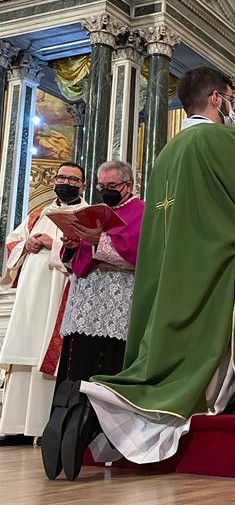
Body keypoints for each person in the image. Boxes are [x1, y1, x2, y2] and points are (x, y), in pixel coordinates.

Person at [41, 67, 235, 481]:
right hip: (219, 265)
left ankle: (95, 407)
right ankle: (126, 406)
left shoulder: (167, 153)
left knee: (183, 350)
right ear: (217, 98)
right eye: (231, 96)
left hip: (180, 271)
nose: (233, 105)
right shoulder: (216, 138)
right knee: (213, 355)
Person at [0, 162, 85, 443]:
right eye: (62, 177)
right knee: (25, 354)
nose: (66, 182)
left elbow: (90, 253)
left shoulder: (86, 215)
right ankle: (15, 427)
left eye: (73, 180)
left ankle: (41, 427)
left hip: (58, 294)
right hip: (30, 295)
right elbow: (12, 243)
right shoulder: (37, 214)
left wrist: (55, 244)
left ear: (82, 186)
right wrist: (27, 245)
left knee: (47, 357)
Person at [56, 160, 144, 387]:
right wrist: (74, 246)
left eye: (111, 186)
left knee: (105, 360)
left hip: (116, 301)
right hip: (84, 302)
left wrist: (99, 240)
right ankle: (70, 418)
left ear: (129, 185)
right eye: (101, 186)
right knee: (77, 361)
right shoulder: (95, 211)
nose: (106, 191)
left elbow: (136, 256)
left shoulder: (141, 212)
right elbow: (76, 263)